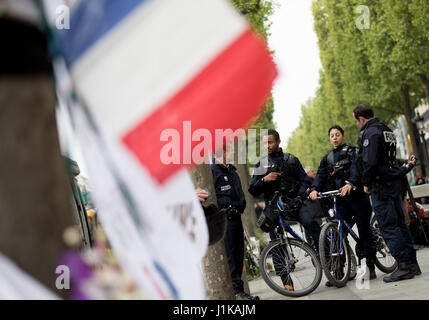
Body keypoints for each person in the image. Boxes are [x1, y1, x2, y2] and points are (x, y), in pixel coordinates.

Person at [353, 104, 421, 283]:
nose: (357, 124)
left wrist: (366, 183)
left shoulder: (370, 133)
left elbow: (370, 162)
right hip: (394, 185)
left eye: (356, 121)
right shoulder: (386, 130)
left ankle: (404, 266)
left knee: (389, 227)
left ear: (360, 118)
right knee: (400, 224)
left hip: (381, 186)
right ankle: (412, 263)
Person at [249, 129, 321, 290]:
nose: (267, 145)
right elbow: (252, 189)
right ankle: (287, 282)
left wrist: (300, 197)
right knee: (276, 243)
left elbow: (305, 181)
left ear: (278, 142)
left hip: (294, 204)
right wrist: (264, 180)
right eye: (264, 143)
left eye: (270, 142)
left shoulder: (291, 160)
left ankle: (326, 258)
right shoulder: (261, 164)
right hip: (273, 209)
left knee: (311, 223)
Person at [309, 125, 377, 286]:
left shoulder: (353, 152)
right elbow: (320, 175)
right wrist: (314, 189)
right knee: (337, 233)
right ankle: (338, 271)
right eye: (332, 135)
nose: (334, 137)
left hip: (357, 197)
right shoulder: (327, 158)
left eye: (337, 134)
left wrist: (351, 183)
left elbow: (356, 170)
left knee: (363, 230)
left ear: (343, 136)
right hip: (340, 200)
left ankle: (371, 265)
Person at [211, 149, 259, 300]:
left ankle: (240, 290)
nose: (232, 151)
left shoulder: (232, 171)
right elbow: (212, 196)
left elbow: (239, 193)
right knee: (232, 254)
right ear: (221, 152)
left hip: (237, 217)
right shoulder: (213, 170)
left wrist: (241, 204)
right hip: (226, 220)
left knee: (239, 253)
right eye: (229, 149)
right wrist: (226, 206)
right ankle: (237, 292)